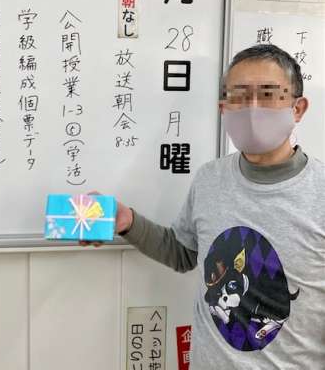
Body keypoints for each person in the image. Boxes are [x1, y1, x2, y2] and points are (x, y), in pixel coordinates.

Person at [89, 44, 325, 368]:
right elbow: (184, 253)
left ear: (298, 108)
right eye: (238, 96)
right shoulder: (210, 179)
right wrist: (127, 221)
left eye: (268, 94)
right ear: (223, 108)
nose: (252, 108)